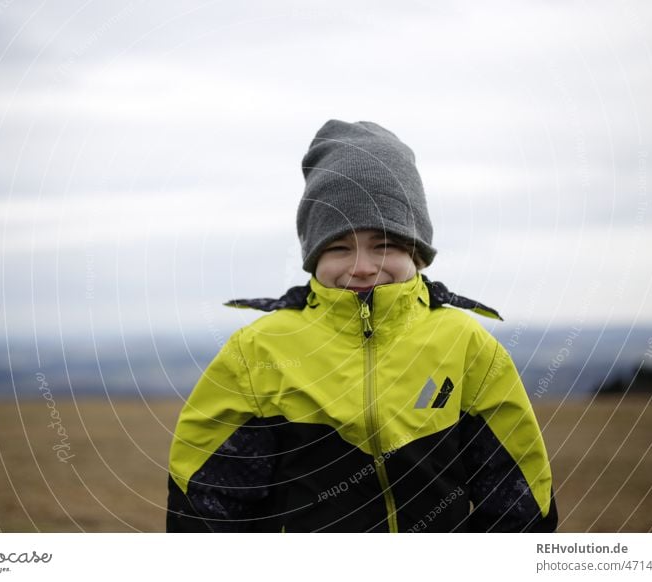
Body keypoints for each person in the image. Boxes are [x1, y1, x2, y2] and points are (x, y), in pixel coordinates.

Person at [166, 119, 557, 532]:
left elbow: (517, 494)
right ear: (313, 257)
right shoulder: (259, 350)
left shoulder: (466, 343)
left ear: (418, 255)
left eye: (383, 245)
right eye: (338, 247)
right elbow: (209, 500)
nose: (362, 267)